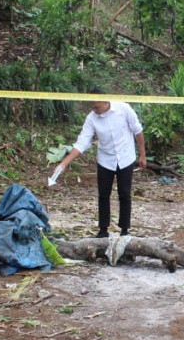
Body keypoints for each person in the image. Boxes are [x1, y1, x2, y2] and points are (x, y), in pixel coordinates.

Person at [53, 90, 147, 237]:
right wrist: (64, 163)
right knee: (103, 194)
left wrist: (142, 155)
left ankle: (124, 230)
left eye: (96, 107)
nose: (94, 110)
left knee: (124, 193)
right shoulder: (91, 119)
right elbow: (82, 142)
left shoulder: (124, 109)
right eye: (92, 107)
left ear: (105, 101)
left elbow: (138, 131)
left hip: (125, 156)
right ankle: (103, 229)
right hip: (106, 160)